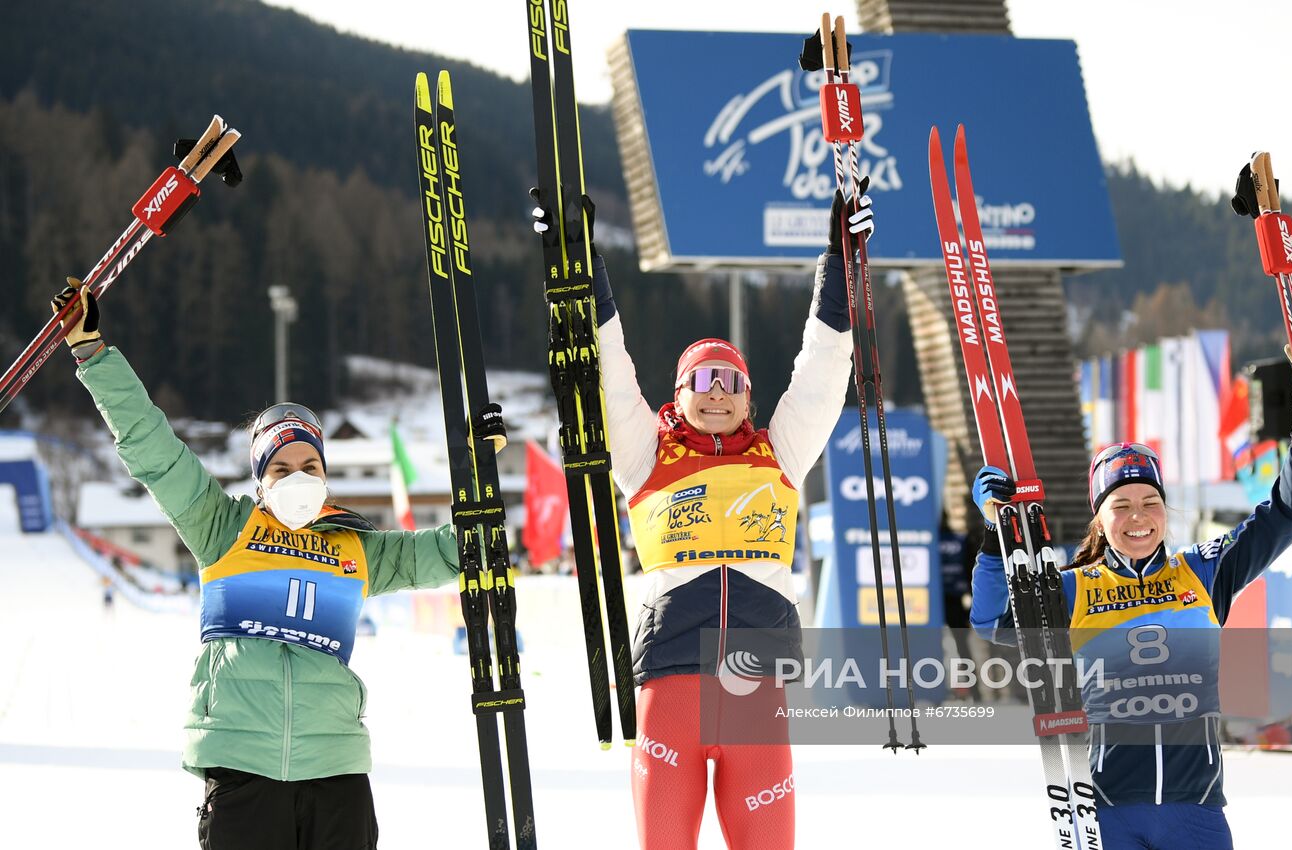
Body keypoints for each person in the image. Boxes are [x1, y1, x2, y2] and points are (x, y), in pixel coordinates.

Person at [51, 278, 465, 850]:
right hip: (243, 769)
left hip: (336, 771)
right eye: (282, 467)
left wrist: (479, 497)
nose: (300, 477)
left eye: (311, 465)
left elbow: (445, 552)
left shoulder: (356, 550)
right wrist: (94, 353)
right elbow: (153, 448)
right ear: (260, 479)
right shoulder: (222, 528)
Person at [532, 185, 868, 848]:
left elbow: (826, 369)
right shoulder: (643, 453)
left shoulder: (782, 450)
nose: (718, 395)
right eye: (703, 382)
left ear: (749, 396)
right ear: (678, 394)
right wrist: (579, 261)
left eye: (731, 382)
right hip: (670, 682)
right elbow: (609, 369)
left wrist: (842, 264)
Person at [969, 345, 1292, 849]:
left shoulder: (1204, 572)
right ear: (1100, 518)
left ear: (1166, 508)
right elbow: (991, 622)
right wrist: (994, 534)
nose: (1138, 516)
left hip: (1196, 810)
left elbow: (1288, 514)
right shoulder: (1074, 587)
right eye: (1121, 505)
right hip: (1107, 810)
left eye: (1150, 502)